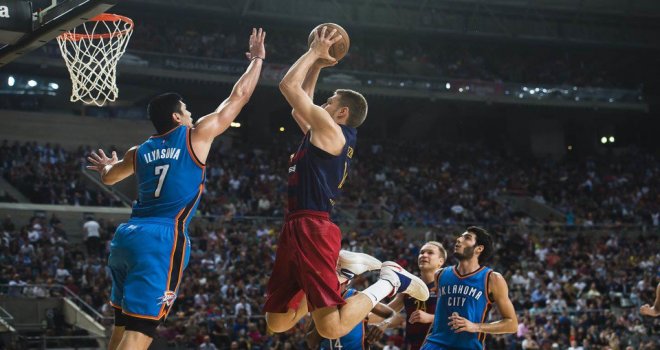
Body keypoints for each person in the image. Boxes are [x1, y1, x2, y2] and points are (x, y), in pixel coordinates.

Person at [86, 28, 266, 350]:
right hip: (162, 237)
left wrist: (107, 168)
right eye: (186, 110)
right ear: (176, 116)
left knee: (122, 324)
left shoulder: (138, 151)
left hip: (128, 235)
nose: (192, 114)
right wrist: (257, 60)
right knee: (141, 332)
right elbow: (238, 97)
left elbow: (110, 179)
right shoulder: (195, 135)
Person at [264, 26, 429, 340]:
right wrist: (318, 65)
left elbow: (288, 86)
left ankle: (391, 280)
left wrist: (314, 51)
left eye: (328, 101)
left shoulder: (331, 130)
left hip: (313, 226)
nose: (322, 104)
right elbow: (299, 103)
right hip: (298, 225)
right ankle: (344, 276)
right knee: (278, 321)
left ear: (340, 112)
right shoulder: (325, 131)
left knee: (331, 328)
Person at [421, 227, 518, 350]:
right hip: (434, 345)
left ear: (479, 248)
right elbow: (439, 317)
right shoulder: (440, 274)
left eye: (467, 238)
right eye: (460, 236)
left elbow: (512, 324)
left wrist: (475, 326)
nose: (459, 239)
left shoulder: (492, 278)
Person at [378, 241, 447, 350]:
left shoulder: (448, 285)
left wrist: (431, 318)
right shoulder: (409, 285)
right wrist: (381, 322)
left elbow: (460, 319)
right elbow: (389, 310)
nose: (424, 255)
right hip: (411, 346)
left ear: (440, 261)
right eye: (422, 252)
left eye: (430, 253)